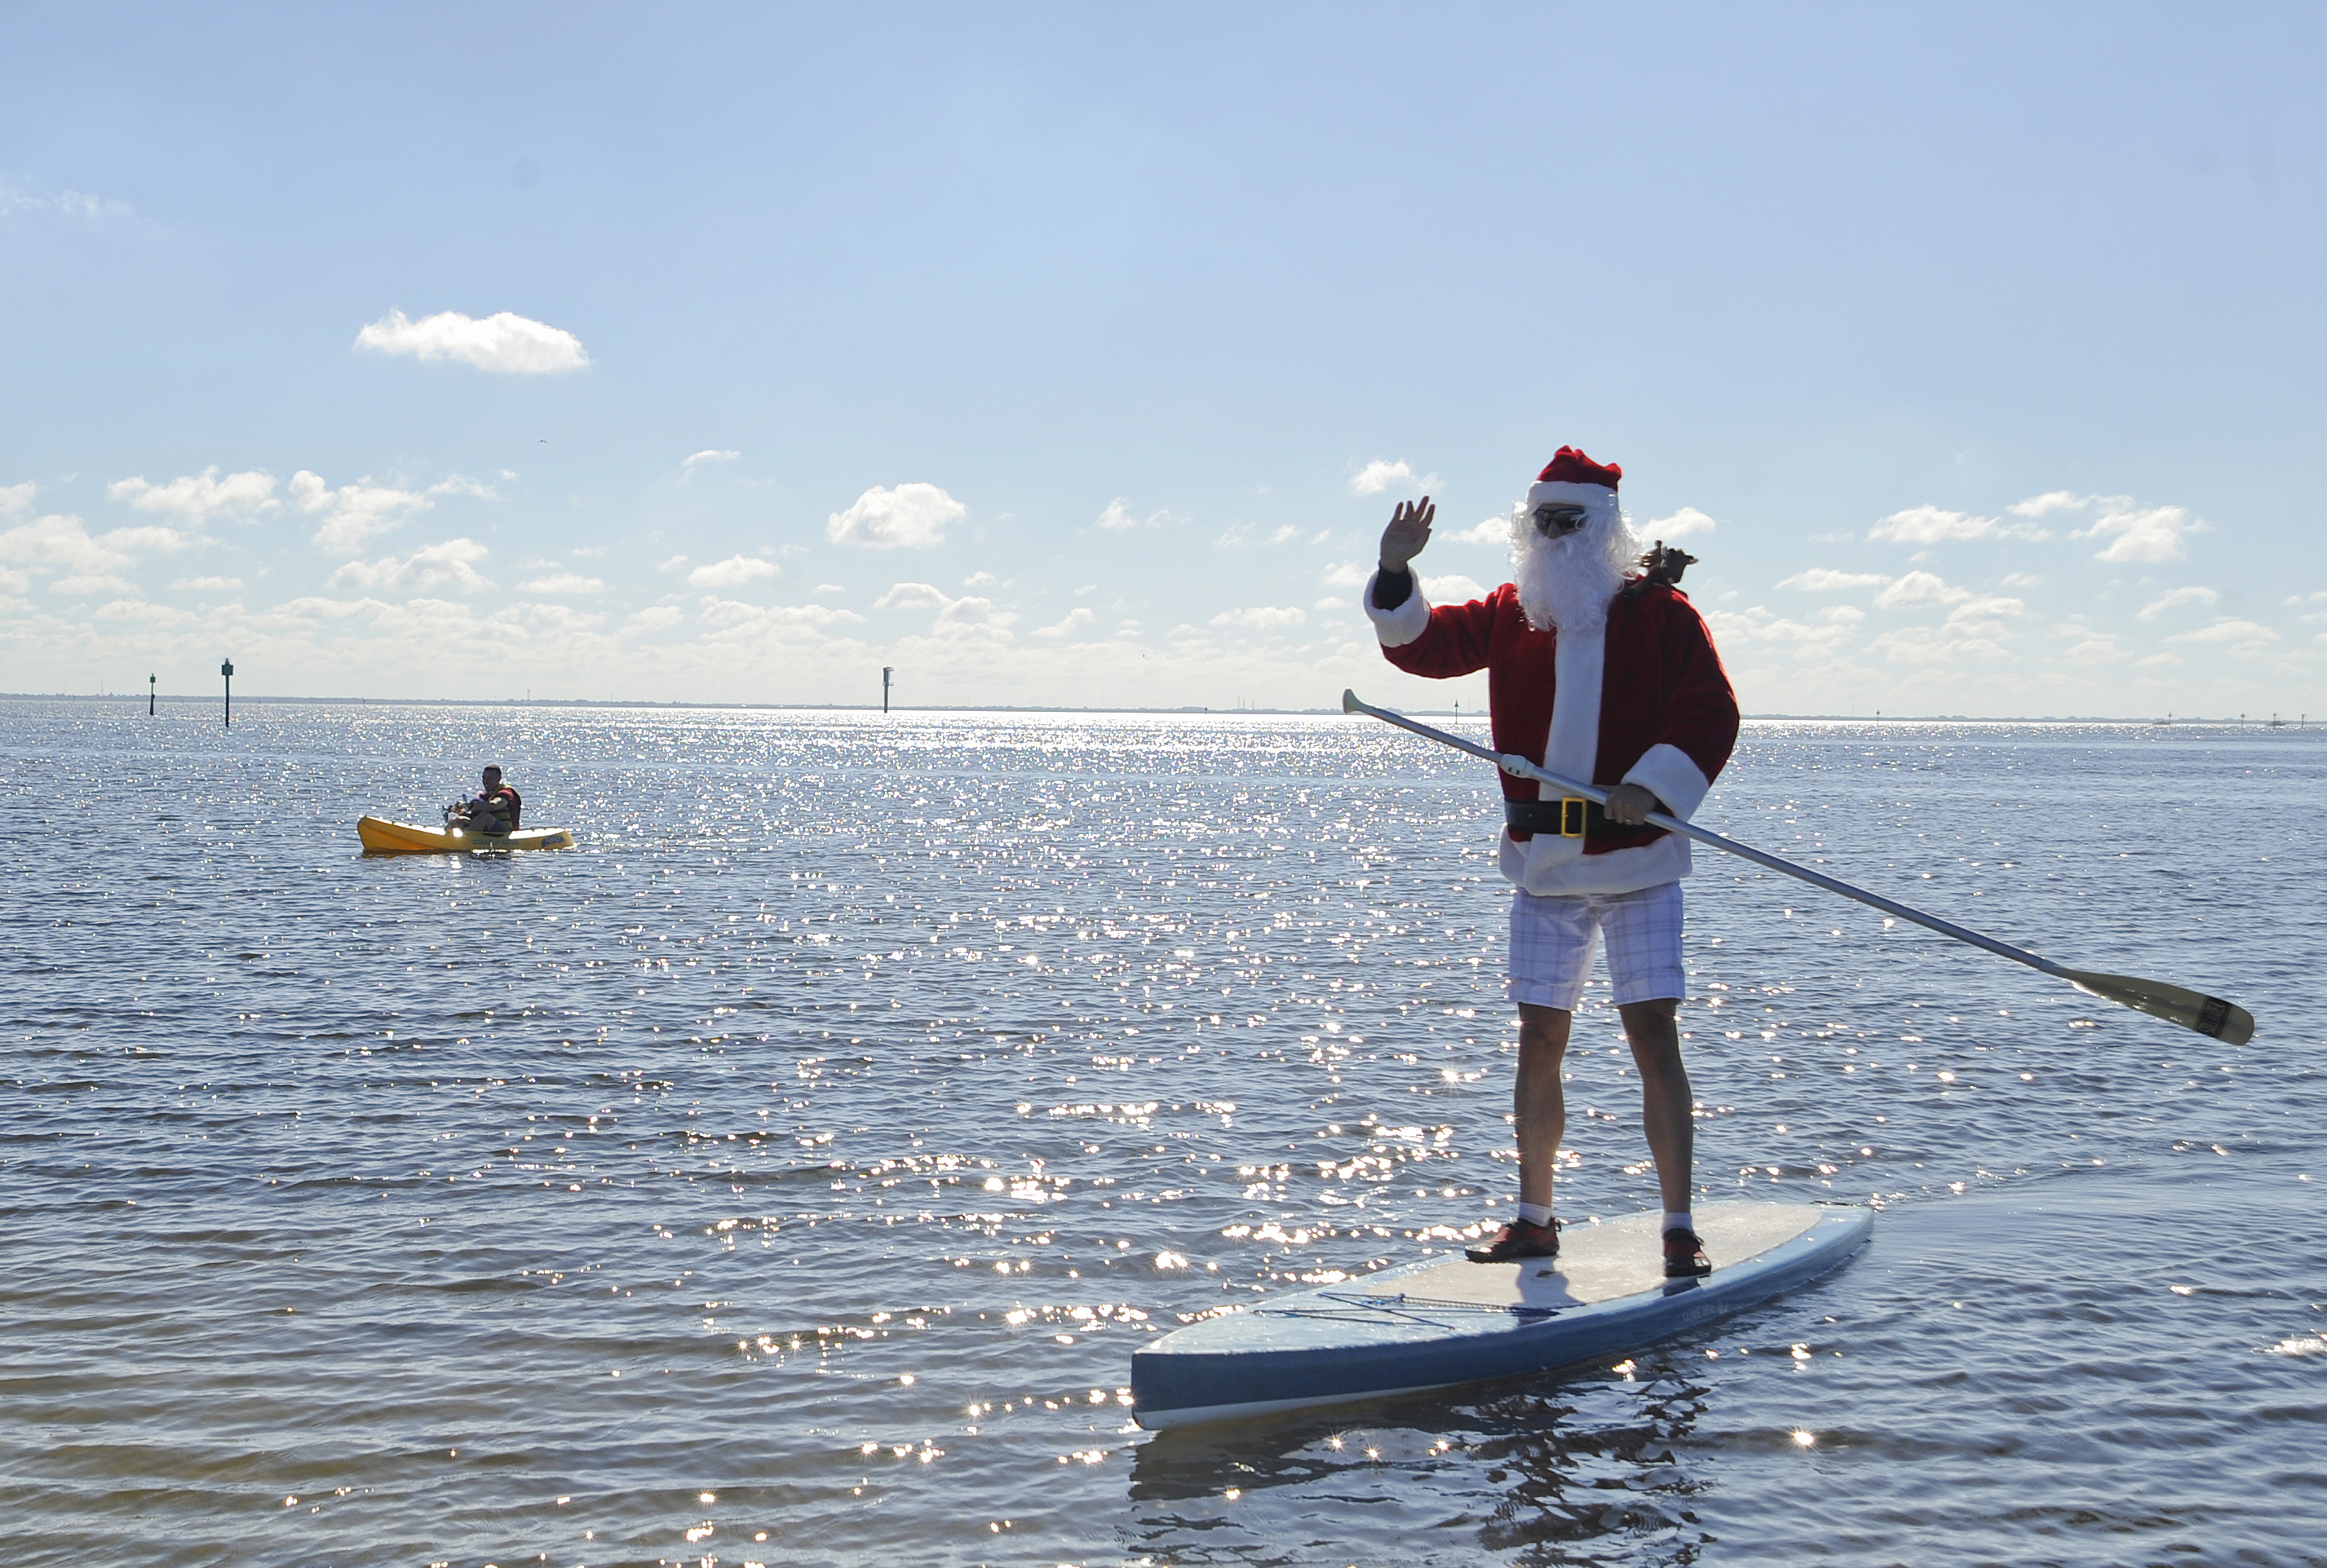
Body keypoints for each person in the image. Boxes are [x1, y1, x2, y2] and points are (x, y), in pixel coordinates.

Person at [1364, 448, 1739, 1279]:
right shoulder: (1512, 612)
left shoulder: (1663, 615)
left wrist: (1652, 786)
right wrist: (1393, 572)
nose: (1555, 534)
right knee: (1539, 1039)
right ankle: (1534, 1219)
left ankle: (1678, 1227)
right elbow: (1422, 645)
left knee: (1652, 1035)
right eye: (1543, 521)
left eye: (1570, 520)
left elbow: (1711, 711)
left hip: (1638, 861)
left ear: (1603, 525)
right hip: (1544, 869)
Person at [449, 765, 522, 835]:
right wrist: (462, 811)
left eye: (490, 778)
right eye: (484, 778)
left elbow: (493, 805)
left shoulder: (506, 793)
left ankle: (466, 839)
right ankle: (449, 838)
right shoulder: (487, 795)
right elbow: (476, 812)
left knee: (485, 817)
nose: (486, 781)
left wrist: (471, 805)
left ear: (498, 779)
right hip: (491, 831)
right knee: (458, 820)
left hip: (506, 833)